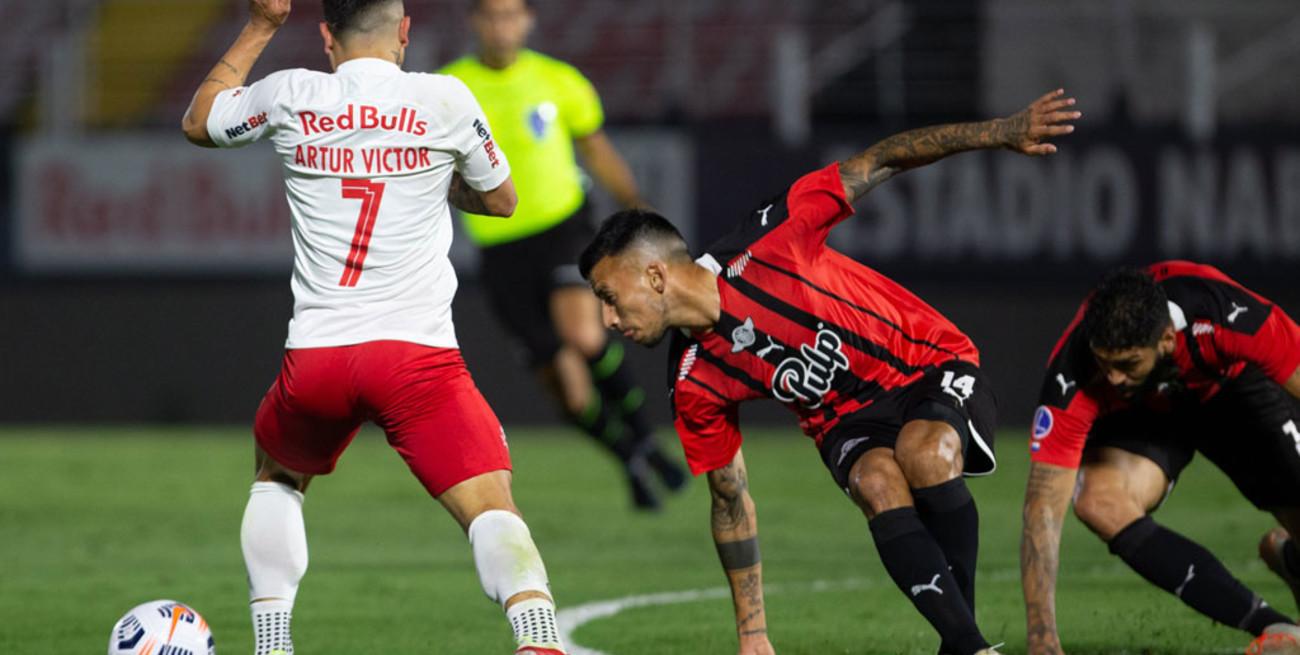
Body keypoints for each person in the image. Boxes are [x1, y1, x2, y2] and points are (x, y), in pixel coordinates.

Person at [579, 90, 1081, 655]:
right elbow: (729, 500)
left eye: (609, 297)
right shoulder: (693, 380)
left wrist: (999, 132)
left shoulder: (772, 238)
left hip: (927, 363)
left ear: (654, 276)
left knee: (924, 453)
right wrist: (753, 636)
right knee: (877, 484)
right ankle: (968, 645)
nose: (608, 319)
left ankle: (962, 644)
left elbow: (883, 159)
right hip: (845, 421)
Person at [180, 1, 565, 653]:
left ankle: (272, 642)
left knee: (278, 477)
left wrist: (263, 24)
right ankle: (538, 636)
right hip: (417, 362)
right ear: (405, 32)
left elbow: (199, 122)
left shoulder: (291, 94)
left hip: (318, 359)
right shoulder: (444, 98)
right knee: (490, 505)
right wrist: (429, 176)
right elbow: (502, 200)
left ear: (325, 35)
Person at [437, 0, 686, 510]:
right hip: (500, 248)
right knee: (568, 393)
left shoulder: (558, 80)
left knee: (584, 335)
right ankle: (630, 456)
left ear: (528, 21)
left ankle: (645, 439)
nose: (502, 26)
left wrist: (635, 204)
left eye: (512, 15)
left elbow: (596, 149)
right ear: (475, 22)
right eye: (492, 16)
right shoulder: (449, 87)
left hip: (563, 228)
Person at [1021, 263, 1300, 655]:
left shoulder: (1227, 314)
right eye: (1105, 363)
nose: (1113, 378)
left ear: (1167, 338)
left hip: (1229, 388)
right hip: (1143, 414)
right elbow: (1042, 508)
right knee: (1098, 500)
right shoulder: (1075, 368)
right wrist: (1042, 640)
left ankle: (1291, 559)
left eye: (1127, 364)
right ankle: (1274, 626)